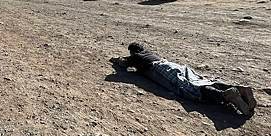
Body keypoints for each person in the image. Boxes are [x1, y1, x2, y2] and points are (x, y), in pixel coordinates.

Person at [110, 42, 257, 116]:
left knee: (190, 88)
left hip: (162, 70)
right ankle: (236, 89)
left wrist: (114, 60)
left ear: (132, 51)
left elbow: (122, 64)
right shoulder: (149, 53)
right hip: (175, 65)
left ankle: (224, 95)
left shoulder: (136, 57)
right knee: (200, 80)